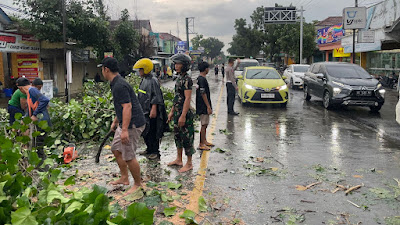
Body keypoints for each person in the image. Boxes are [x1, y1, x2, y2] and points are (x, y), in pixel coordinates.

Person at [98, 57, 146, 194]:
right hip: (125, 122)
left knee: (129, 155)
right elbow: (121, 106)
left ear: (106, 69)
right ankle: (124, 178)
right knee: (116, 149)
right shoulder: (114, 83)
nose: (102, 72)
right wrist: (116, 121)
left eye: (102, 69)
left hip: (133, 124)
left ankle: (138, 184)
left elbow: (127, 107)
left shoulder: (119, 85)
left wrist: (124, 129)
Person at [134, 58, 167, 160]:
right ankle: (149, 149)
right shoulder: (144, 80)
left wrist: (153, 109)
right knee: (145, 131)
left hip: (151, 112)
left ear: (146, 69)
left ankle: (155, 151)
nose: (139, 72)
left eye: (140, 70)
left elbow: (156, 96)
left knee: (153, 131)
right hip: (143, 111)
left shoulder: (153, 81)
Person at [167, 53, 195, 173]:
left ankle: (189, 163)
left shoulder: (187, 80)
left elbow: (187, 99)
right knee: (177, 136)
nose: (176, 66)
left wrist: (183, 116)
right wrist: (172, 112)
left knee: (187, 137)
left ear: (184, 65)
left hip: (185, 114)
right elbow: (177, 97)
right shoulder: (179, 78)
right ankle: (179, 159)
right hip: (178, 112)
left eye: (178, 64)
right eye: (175, 64)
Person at [16, 77, 51, 162]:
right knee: (37, 145)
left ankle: (42, 168)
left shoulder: (32, 90)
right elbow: (30, 109)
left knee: (37, 145)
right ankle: (42, 165)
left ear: (21, 88)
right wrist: (24, 119)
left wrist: (35, 115)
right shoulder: (29, 94)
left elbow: (45, 100)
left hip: (42, 122)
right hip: (40, 122)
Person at [196, 62, 214, 151]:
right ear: (206, 69)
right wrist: (208, 106)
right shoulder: (202, 79)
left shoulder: (200, 79)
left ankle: (204, 141)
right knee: (203, 125)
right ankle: (201, 143)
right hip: (203, 106)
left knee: (205, 124)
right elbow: (203, 93)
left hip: (202, 105)